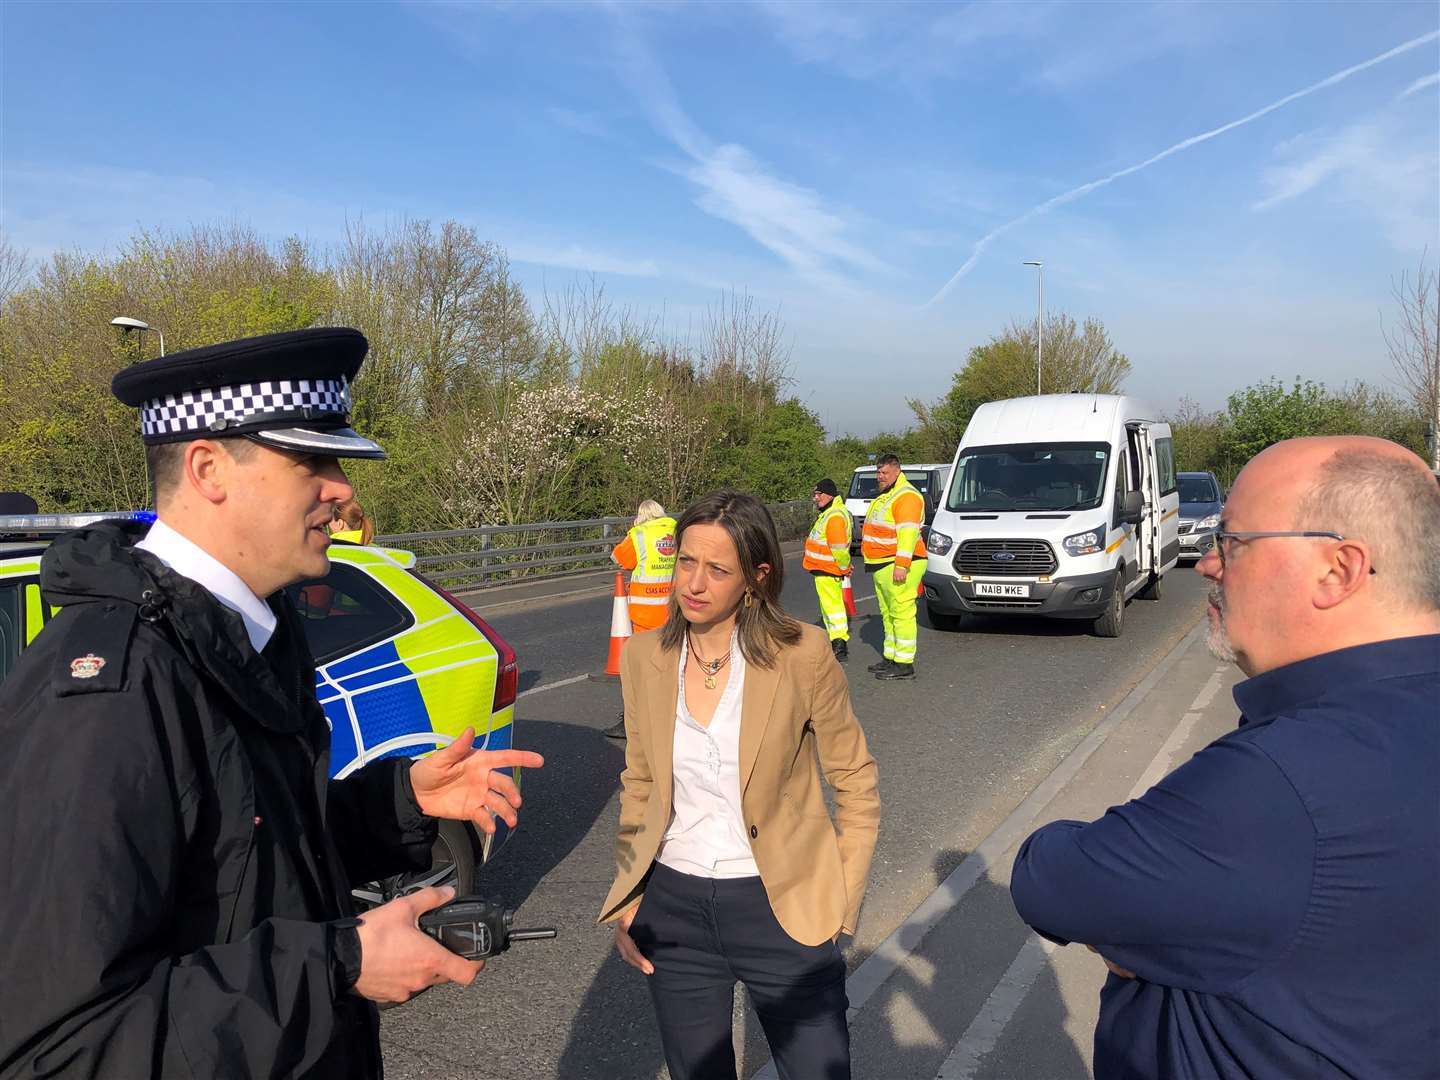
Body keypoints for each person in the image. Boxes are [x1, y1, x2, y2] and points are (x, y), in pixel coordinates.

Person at [0, 328, 545, 1078]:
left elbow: (246, 860)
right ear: (207, 468)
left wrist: (404, 803)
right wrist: (337, 965)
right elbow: (62, 1044)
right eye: (310, 459)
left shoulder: (248, 631)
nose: (343, 489)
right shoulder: (112, 691)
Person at [1010, 435, 1440, 1080]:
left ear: (1338, 569)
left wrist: (1143, 936)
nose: (1209, 566)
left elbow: (1052, 880)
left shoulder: (1284, 777)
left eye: (1231, 542)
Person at [599, 491, 881, 1080]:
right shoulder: (646, 656)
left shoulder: (801, 654)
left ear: (756, 577)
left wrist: (841, 906)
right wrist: (628, 894)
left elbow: (854, 780)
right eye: (685, 561)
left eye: (717, 569)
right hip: (673, 907)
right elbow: (641, 781)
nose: (693, 584)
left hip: (783, 906)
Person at [604, 498, 678, 740]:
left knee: (639, 668)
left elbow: (619, 559)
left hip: (645, 613)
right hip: (675, 609)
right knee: (673, 664)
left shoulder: (639, 534)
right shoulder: (677, 531)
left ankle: (632, 721)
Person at [860, 454, 926, 680]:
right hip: (882, 563)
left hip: (898, 562)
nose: (879, 476)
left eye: (884, 472)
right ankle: (891, 657)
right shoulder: (887, 495)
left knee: (901, 612)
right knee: (888, 613)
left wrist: (902, 565)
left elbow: (907, 533)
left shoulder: (906, 496)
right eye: (878, 472)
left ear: (897, 471)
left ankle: (904, 663)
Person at [802, 477, 853, 662]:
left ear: (829, 495)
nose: (816, 498)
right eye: (815, 494)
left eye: (818, 494)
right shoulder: (830, 513)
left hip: (829, 569)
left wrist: (844, 567)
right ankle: (836, 642)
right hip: (824, 569)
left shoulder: (835, 516)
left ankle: (839, 645)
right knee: (830, 607)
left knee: (833, 608)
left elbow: (838, 548)